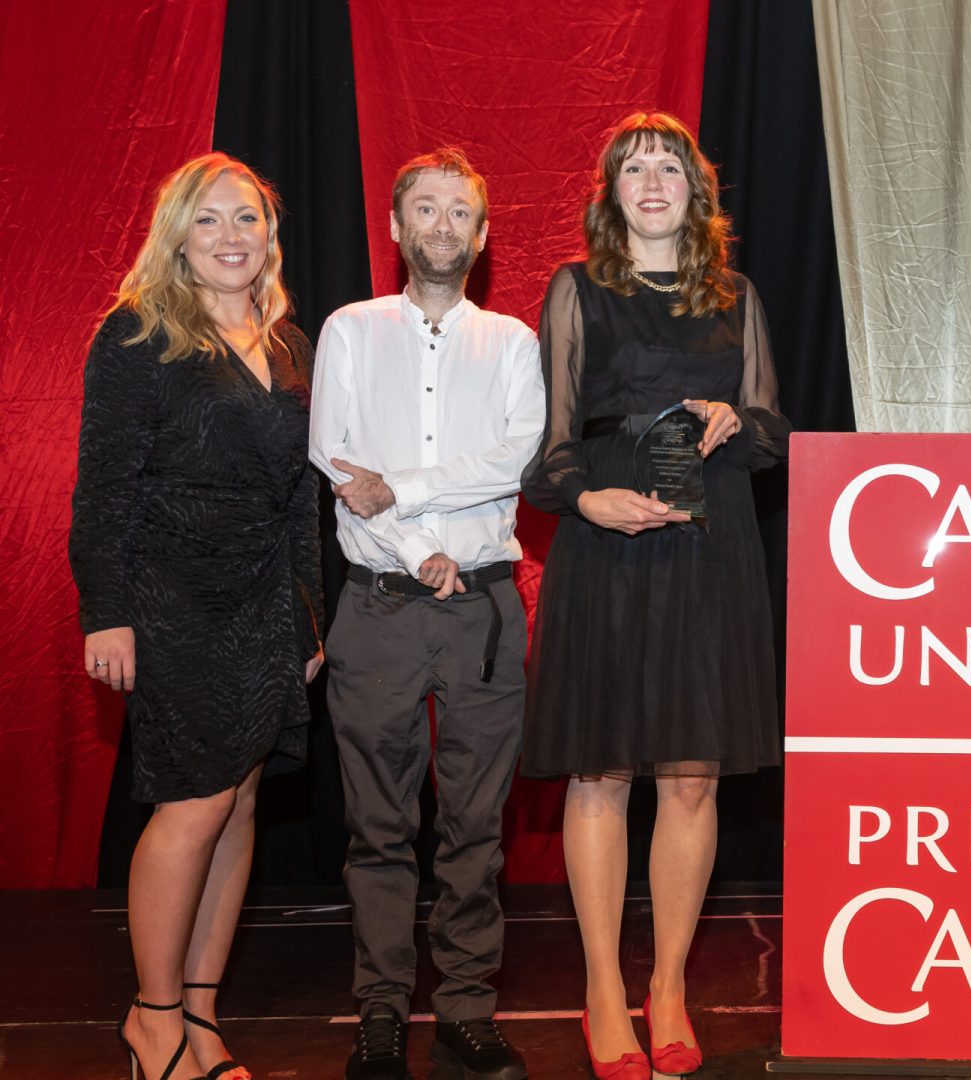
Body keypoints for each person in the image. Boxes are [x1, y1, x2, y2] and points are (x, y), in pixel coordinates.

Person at [520, 111, 788, 1079]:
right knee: (602, 775)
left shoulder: (738, 296)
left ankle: (667, 984)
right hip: (609, 550)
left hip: (708, 553)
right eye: (631, 167)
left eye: (667, 163)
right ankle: (601, 987)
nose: (650, 179)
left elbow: (773, 430)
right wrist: (589, 500)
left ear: (694, 189)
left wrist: (733, 417)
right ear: (611, 194)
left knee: (692, 777)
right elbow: (547, 451)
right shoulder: (578, 291)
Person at [71, 153, 323, 1080]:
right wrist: (107, 613)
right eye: (209, 220)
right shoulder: (137, 334)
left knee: (243, 797)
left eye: (247, 219)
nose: (231, 237)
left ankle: (203, 1016)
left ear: (269, 232)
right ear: (177, 233)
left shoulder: (286, 341)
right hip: (169, 600)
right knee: (194, 801)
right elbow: (102, 489)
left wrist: (308, 619)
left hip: (264, 602)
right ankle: (153, 1019)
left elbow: (304, 498)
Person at [308, 147, 543, 1080]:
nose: (442, 226)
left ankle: (466, 1008)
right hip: (377, 610)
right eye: (426, 210)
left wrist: (399, 489)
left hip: (483, 609)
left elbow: (514, 460)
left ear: (481, 238)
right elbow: (336, 461)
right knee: (377, 825)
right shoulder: (351, 330)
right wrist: (418, 547)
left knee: (476, 826)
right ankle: (378, 1012)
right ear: (398, 228)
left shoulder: (513, 343)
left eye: (460, 213)